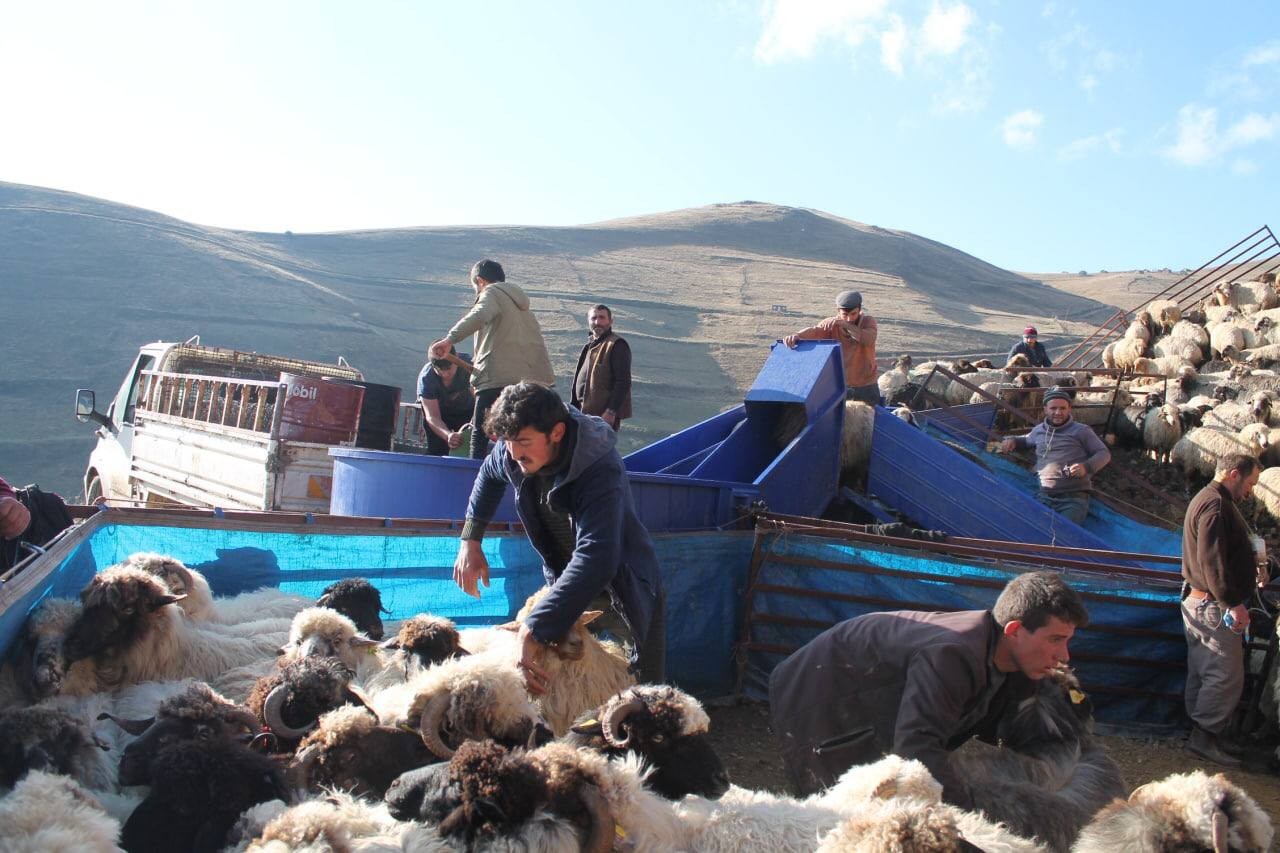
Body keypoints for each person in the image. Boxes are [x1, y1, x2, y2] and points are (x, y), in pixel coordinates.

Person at [768, 571, 1088, 803]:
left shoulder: (1011, 666)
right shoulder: (954, 656)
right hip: (821, 691)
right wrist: (967, 813)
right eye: (1055, 640)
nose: (1064, 656)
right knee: (840, 807)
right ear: (1015, 630)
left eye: (1067, 641)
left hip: (872, 696)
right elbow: (917, 750)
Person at [451, 382, 666, 693]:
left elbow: (597, 557)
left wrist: (533, 628)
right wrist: (470, 540)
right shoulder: (516, 450)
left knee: (639, 693)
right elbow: (489, 473)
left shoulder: (598, 468)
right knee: (564, 687)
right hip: (566, 582)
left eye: (523, 442)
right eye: (508, 442)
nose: (514, 453)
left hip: (622, 588)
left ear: (557, 433)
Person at [1180, 453, 1268, 767]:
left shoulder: (1211, 501)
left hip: (1203, 601)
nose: (1251, 491)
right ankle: (1204, 738)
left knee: (1205, 670)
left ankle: (1202, 734)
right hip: (1213, 605)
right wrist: (1232, 603)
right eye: (1250, 483)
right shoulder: (1215, 506)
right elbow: (1211, 559)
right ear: (1233, 474)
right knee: (1224, 674)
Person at [428, 259, 556, 459]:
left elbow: (479, 315)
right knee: (519, 432)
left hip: (497, 376)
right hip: (534, 380)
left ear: (480, 281)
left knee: (480, 431)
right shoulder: (521, 305)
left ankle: (474, 478)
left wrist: (449, 339)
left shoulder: (492, 292)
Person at [998, 388, 1110, 524]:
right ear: (1045, 409)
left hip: (1073, 498)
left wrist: (1086, 467)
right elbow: (1026, 440)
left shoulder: (1081, 431)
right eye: (1053, 408)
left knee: (1063, 533)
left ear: (1069, 409)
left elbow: (1104, 453)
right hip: (1044, 496)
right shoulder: (1039, 430)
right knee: (1032, 527)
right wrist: (1013, 440)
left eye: (1063, 408)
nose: (1058, 412)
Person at [783, 290, 880, 404]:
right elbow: (815, 331)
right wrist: (796, 336)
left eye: (853, 314)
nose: (849, 318)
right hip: (841, 387)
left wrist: (845, 324)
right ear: (838, 311)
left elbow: (867, 339)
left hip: (866, 386)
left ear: (859, 309)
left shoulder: (868, 321)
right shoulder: (830, 324)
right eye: (845, 315)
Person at [570, 304, 632, 431]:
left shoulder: (616, 345)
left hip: (601, 418)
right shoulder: (590, 346)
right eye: (593, 318)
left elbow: (623, 382)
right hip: (583, 414)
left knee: (596, 450)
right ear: (588, 321)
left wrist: (611, 412)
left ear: (611, 321)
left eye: (602, 318)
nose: (597, 322)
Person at [416, 347, 475, 456]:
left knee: (470, 449)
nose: (446, 374)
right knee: (437, 450)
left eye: (449, 368)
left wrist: (475, 423)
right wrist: (448, 435)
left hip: (468, 412)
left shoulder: (469, 366)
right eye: (440, 369)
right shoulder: (426, 378)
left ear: (456, 358)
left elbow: (480, 399)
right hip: (440, 416)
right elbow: (432, 416)